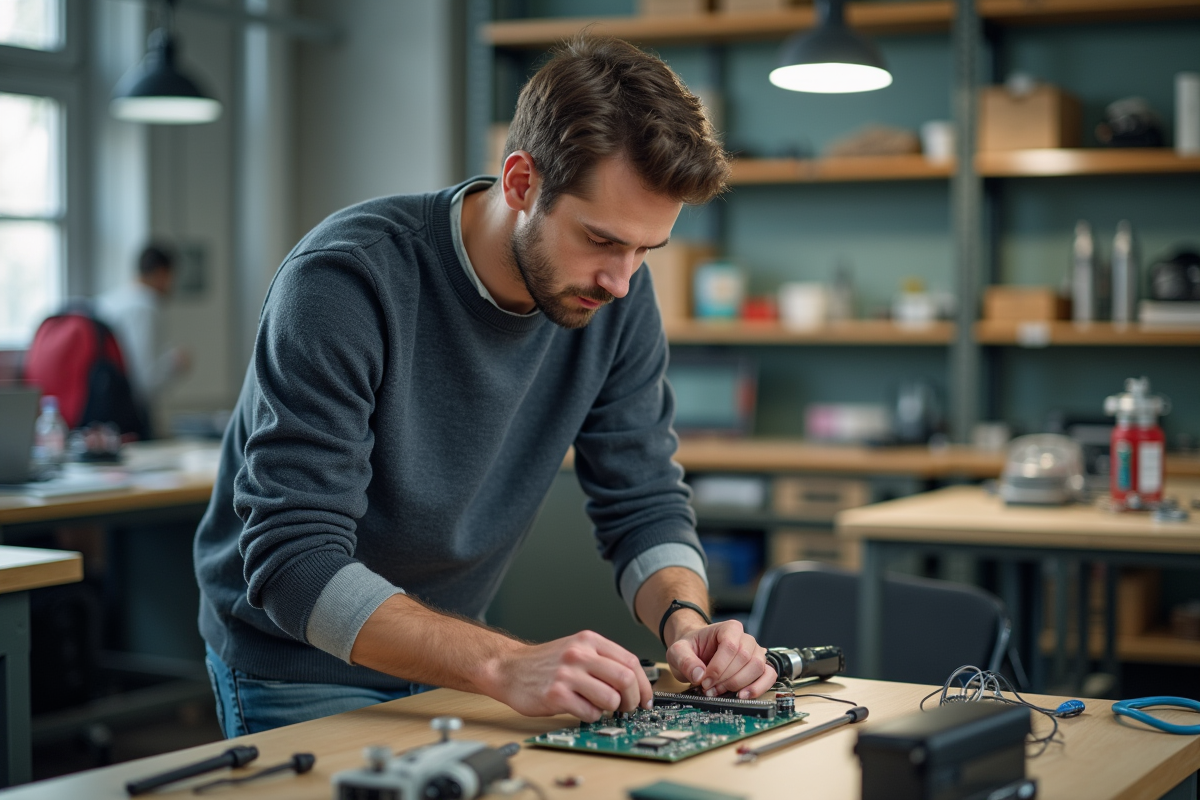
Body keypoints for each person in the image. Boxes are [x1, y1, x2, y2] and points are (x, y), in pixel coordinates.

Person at [194, 35, 776, 739]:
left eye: (644, 250)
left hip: (456, 658)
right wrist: (503, 664)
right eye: (600, 239)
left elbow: (644, 498)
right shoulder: (346, 280)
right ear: (522, 182)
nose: (621, 281)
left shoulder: (618, 298)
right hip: (303, 665)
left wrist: (686, 622)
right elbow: (294, 564)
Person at [95, 244, 191, 434]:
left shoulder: (109, 301)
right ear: (162, 273)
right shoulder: (145, 307)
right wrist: (174, 362)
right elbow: (145, 380)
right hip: (125, 418)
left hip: (97, 409)